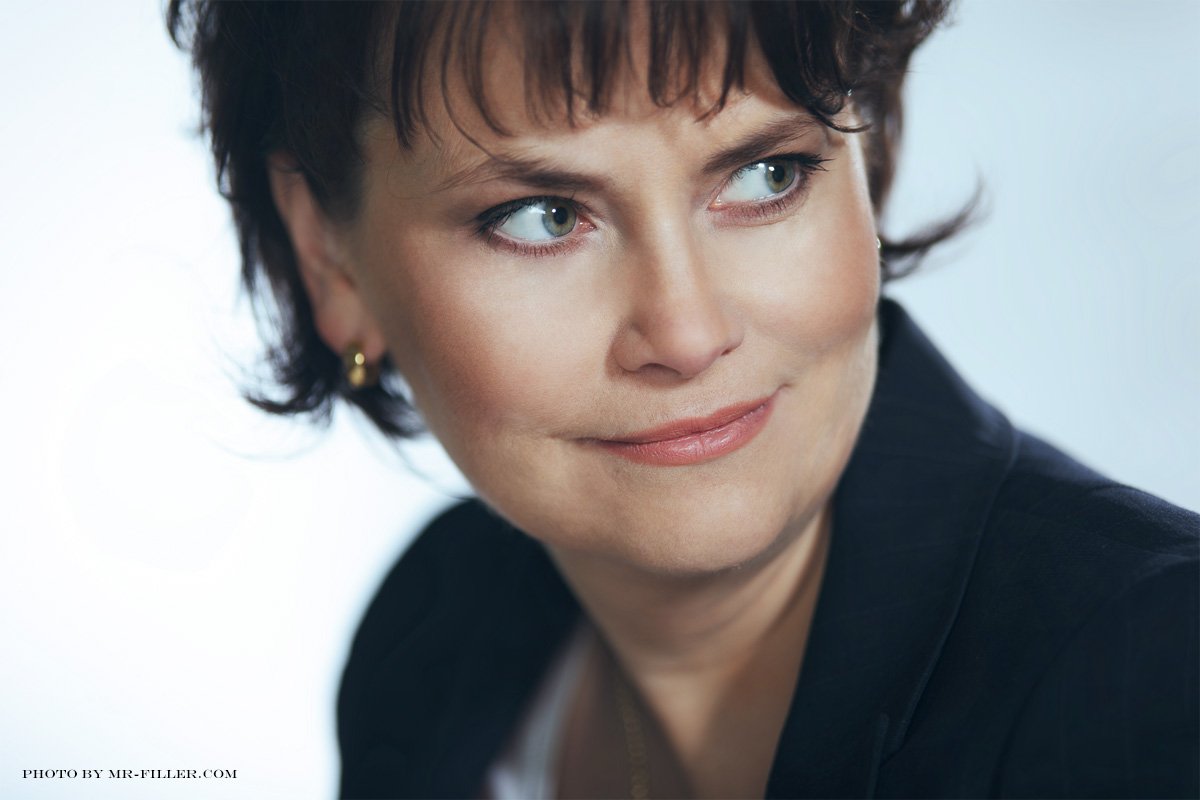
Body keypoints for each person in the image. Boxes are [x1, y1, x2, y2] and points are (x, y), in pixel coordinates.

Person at [169, 2, 1199, 797]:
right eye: (543, 214)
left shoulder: (1156, 676)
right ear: (331, 256)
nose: (687, 331)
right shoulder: (429, 633)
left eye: (767, 175)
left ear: (870, 150)